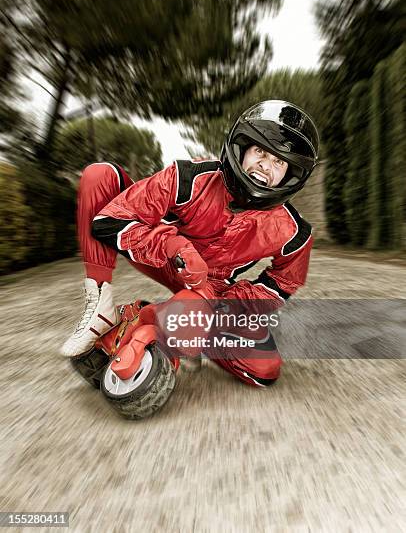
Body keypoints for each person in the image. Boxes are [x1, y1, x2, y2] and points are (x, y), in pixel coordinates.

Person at [61, 100, 319, 387]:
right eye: (260, 151)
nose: (265, 165)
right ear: (242, 148)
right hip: (163, 258)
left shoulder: (295, 232)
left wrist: (224, 309)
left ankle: (145, 316)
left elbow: (281, 285)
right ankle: (100, 306)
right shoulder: (187, 178)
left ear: (290, 175)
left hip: (211, 289)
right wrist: (172, 245)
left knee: (264, 370)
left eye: (278, 162)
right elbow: (109, 220)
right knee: (100, 176)